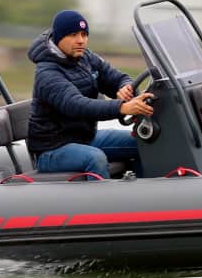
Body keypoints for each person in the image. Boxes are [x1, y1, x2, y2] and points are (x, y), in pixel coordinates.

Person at [26, 9, 155, 178]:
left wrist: (125, 88)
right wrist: (122, 107)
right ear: (58, 38)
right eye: (73, 35)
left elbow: (118, 77)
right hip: (52, 149)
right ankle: (102, 204)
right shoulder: (47, 72)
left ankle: (143, 197)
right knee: (95, 158)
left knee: (144, 141)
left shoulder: (85, 57)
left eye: (84, 34)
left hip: (86, 138)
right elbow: (77, 105)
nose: (81, 41)